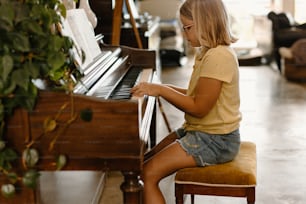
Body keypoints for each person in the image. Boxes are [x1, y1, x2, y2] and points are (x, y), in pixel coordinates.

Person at [131, 0, 241, 203]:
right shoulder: (208, 52)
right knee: (145, 158)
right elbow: (196, 94)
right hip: (204, 132)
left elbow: (199, 108)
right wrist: (161, 87)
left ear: (206, 22)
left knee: (148, 174)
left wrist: (162, 90)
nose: (184, 34)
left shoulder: (219, 56)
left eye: (188, 28)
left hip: (216, 140)